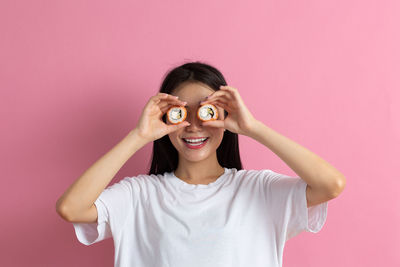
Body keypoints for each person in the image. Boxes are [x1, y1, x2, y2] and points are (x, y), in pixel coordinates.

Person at [56, 61, 346, 267]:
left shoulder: (258, 190)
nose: (194, 126)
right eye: (181, 114)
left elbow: (330, 184)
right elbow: (72, 208)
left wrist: (252, 127)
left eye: (205, 112)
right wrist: (138, 135)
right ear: (165, 120)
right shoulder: (139, 195)